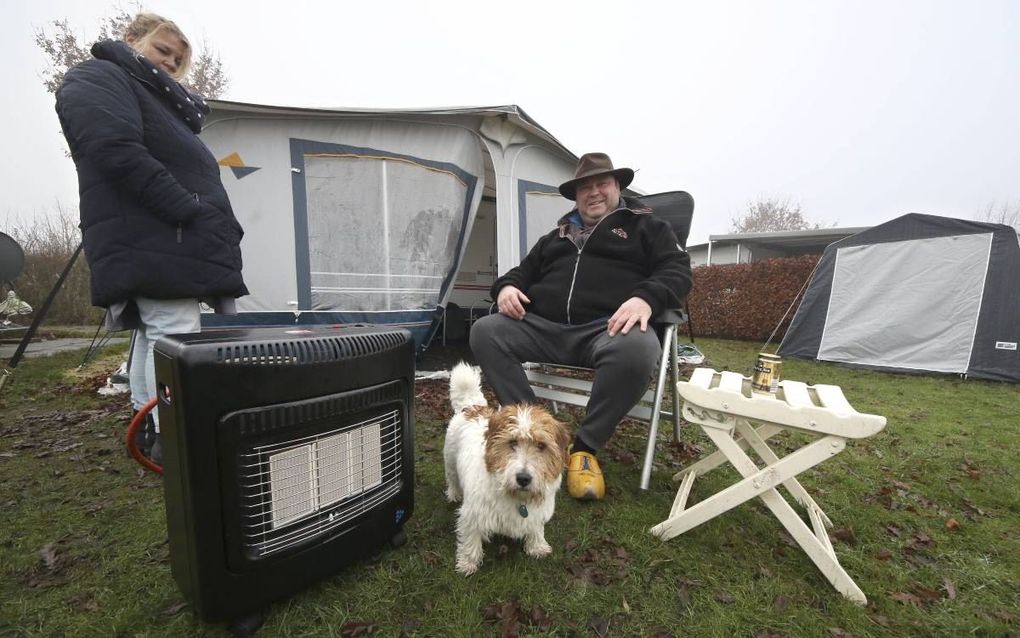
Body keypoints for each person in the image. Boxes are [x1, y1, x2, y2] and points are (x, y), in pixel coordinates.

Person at [55, 13, 248, 462]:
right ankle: (178, 443)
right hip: (155, 232)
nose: (170, 63)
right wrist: (185, 207)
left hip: (168, 235)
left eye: (178, 60)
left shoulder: (159, 102)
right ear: (133, 40)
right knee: (174, 335)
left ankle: (153, 434)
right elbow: (114, 149)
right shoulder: (99, 76)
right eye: (163, 50)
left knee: (153, 334)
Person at [469, 152, 692, 500]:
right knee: (486, 331)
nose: (594, 192)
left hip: (606, 330)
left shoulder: (646, 227)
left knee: (639, 348)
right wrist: (507, 288)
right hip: (544, 328)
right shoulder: (556, 236)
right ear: (576, 195)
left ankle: (585, 448)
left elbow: (677, 269)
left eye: (602, 183)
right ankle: (536, 427)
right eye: (584, 187)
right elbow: (521, 273)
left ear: (617, 186)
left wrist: (646, 298)